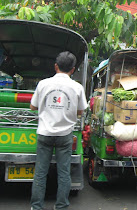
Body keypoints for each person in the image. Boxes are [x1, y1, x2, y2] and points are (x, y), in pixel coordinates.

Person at [30, 51, 88, 210]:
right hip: (65, 136)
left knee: (40, 173)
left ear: (56, 66)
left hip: (44, 134)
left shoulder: (43, 84)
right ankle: (61, 206)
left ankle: (36, 207)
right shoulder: (77, 87)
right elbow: (81, 111)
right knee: (64, 173)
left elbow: (33, 106)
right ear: (73, 69)